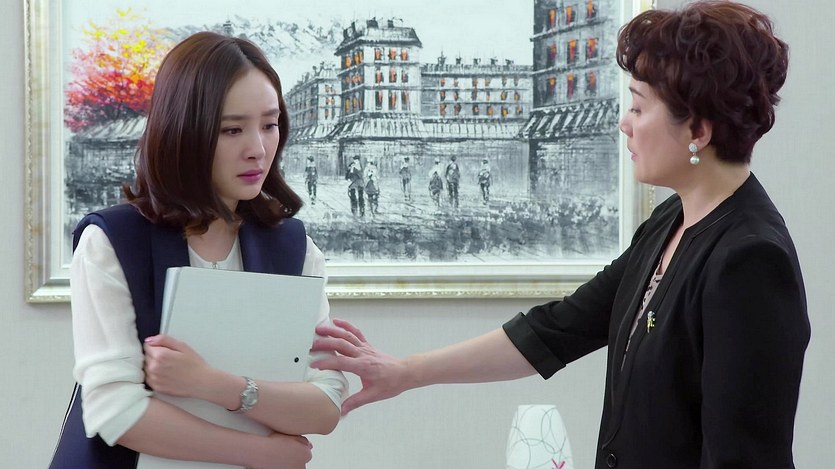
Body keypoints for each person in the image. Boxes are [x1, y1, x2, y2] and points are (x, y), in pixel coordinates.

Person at [311, 3, 810, 468]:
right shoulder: (670, 221)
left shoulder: (750, 260)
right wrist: (406, 372)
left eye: (638, 107)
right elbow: (556, 329)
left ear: (697, 130)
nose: (624, 123)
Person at [49, 32, 347, 469]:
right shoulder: (112, 241)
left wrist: (214, 385)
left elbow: (325, 404)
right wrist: (262, 452)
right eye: (232, 130)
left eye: (269, 124)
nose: (258, 149)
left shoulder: (295, 249)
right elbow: (114, 411)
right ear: (182, 131)